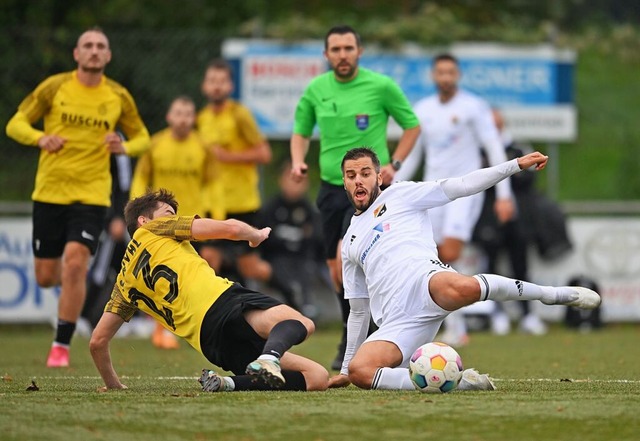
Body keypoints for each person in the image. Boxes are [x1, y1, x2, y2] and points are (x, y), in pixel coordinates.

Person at [328, 147, 600, 391]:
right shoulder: (350, 239)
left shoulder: (401, 194)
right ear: (344, 182)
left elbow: (463, 185)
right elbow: (359, 310)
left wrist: (514, 165)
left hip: (425, 283)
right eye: (351, 175)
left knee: (464, 286)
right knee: (360, 373)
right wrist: (344, 370)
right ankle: (460, 382)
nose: (358, 180)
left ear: (378, 177)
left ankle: (550, 294)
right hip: (397, 323)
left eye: (365, 173)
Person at [5, 27, 150, 367]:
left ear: (108, 56)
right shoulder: (55, 87)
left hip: (92, 196)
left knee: (75, 262)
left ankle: (61, 345)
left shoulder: (117, 95)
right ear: (76, 54)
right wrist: (40, 138)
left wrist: (125, 146)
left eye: (101, 46)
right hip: (50, 193)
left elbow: (143, 135)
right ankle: (71, 284)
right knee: (45, 276)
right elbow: (15, 124)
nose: (95, 51)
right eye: (88, 45)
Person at [89, 189, 329, 392]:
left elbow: (97, 342)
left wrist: (114, 386)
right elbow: (231, 229)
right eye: (168, 213)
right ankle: (269, 358)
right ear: (144, 221)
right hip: (221, 302)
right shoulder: (155, 229)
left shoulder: (124, 282)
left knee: (317, 377)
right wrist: (255, 235)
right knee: (302, 323)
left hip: (209, 342)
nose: (174, 217)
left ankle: (227, 383)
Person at [290, 25, 421, 369]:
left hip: (369, 192)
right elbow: (301, 132)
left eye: (348, 48)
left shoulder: (381, 86)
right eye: (336, 49)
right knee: (337, 272)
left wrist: (394, 164)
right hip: (333, 191)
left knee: (352, 256)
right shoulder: (316, 89)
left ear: (359, 51)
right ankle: (360, 335)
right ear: (326, 54)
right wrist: (298, 160)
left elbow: (412, 126)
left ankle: (369, 339)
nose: (342, 54)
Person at [394, 53, 515, 347]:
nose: (445, 77)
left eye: (451, 72)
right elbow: (414, 155)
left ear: (457, 75)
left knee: (449, 251)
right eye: (440, 72)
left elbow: (494, 148)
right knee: (430, 254)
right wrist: (394, 188)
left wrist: (504, 194)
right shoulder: (423, 109)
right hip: (434, 190)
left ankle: (455, 324)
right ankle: (444, 322)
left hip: (465, 190)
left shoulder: (474, 107)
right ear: (434, 76)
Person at [197, 59, 298, 309]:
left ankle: (294, 297)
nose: (216, 86)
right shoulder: (202, 119)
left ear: (230, 86)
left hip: (242, 201)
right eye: (212, 81)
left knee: (249, 266)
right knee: (209, 259)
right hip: (213, 202)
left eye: (221, 81)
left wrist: (230, 157)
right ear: (204, 86)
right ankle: (211, 317)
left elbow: (264, 154)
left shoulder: (239, 115)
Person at [130, 95, 213, 349]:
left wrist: (213, 214)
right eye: (178, 113)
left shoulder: (202, 146)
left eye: (188, 113)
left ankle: (187, 326)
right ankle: (162, 329)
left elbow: (212, 183)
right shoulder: (155, 145)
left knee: (194, 275)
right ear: (169, 117)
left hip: (192, 222)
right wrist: (136, 213)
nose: (183, 119)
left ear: (194, 118)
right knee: (162, 275)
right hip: (160, 223)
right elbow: (140, 178)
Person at [472, 109, 547, 335]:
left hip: (517, 218)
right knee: (491, 268)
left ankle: (527, 314)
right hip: (489, 219)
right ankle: (496, 314)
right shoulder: (478, 150)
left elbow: (528, 178)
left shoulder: (518, 147)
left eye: (496, 123)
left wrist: (507, 171)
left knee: (520, 267)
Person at [259, 161, 325, 318]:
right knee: (281, 271)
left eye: (300, 181)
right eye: (291, 179)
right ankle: (289, 307)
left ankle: (308, 307)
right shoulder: (271, 208)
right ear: (281, 180)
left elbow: (317, 239)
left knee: (308, 269)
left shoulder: (309, 209)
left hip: (303, 259)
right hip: (277, 258)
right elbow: (263, 238)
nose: (295, 185)